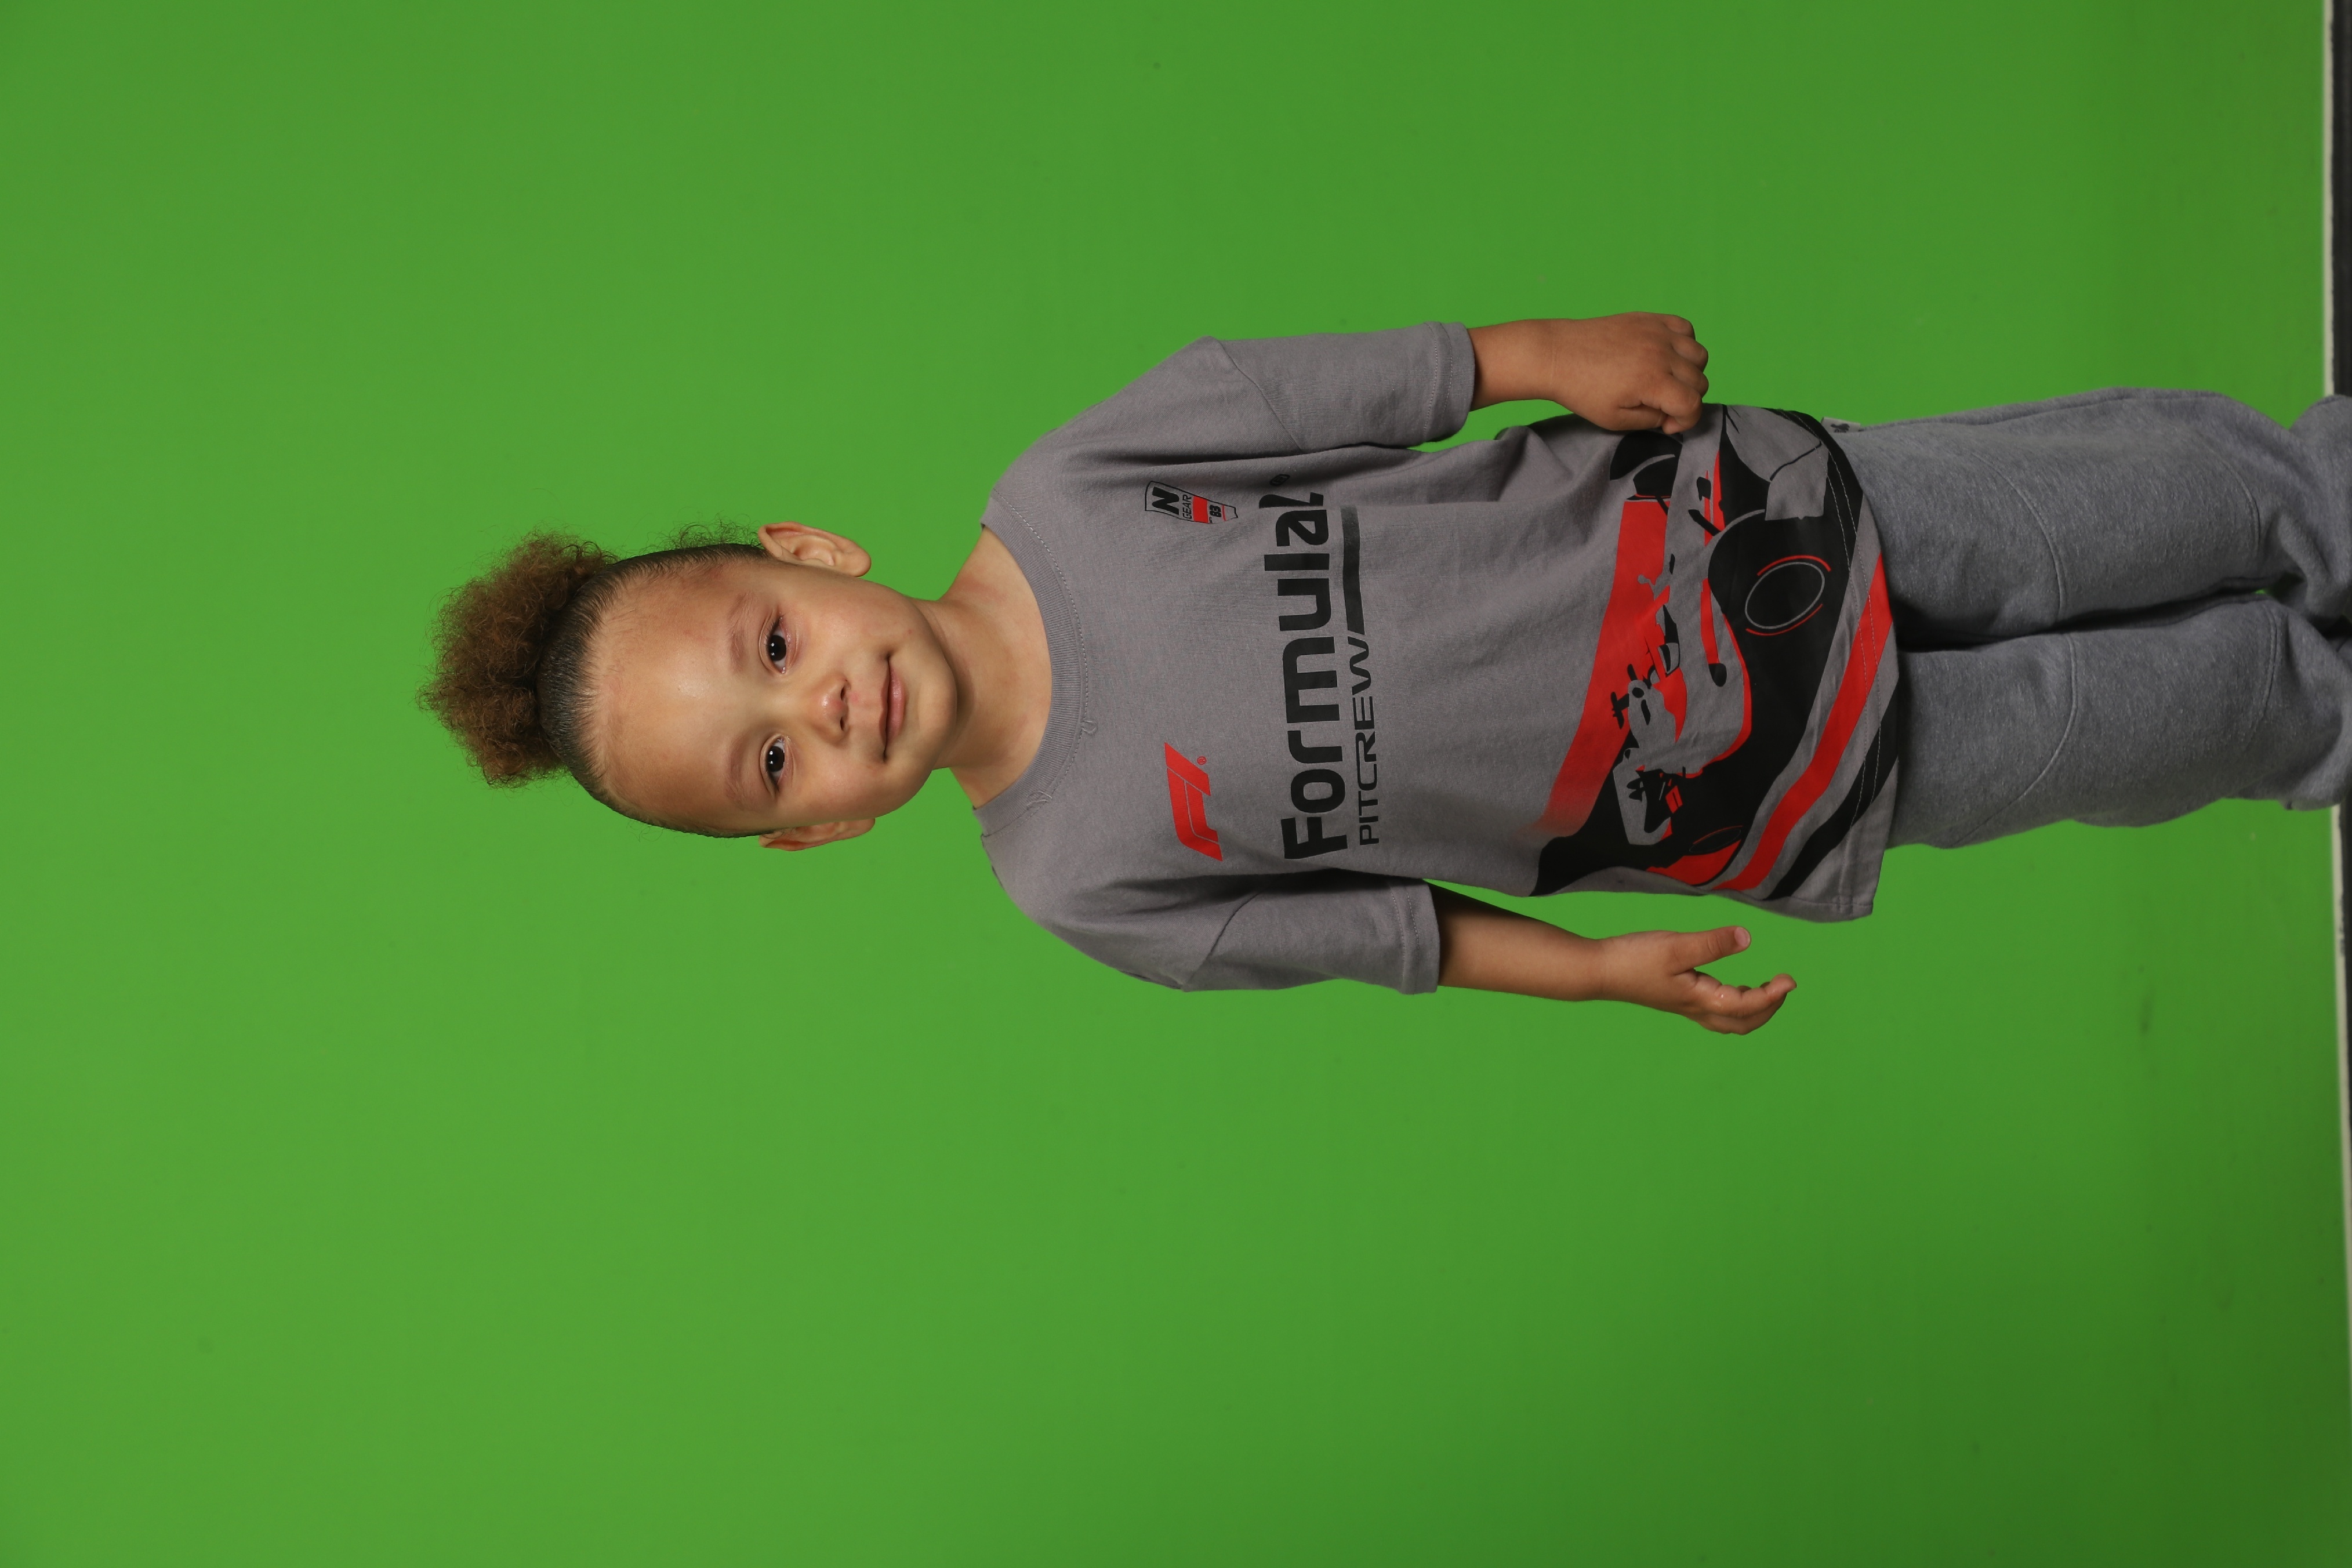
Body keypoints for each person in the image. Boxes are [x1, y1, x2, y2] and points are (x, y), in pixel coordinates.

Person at [422, 316, 2352, 1033]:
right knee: (2154, 725)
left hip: (1740, 526)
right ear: (815, 836)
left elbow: (1344, 393)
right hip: (1752, 785)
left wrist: (1543, 356)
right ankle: (2320, 711)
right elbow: (1392, 934)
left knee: (2151, 500)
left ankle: (2321, 502)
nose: (821, 708)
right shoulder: (1077, 881)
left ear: (812, 554)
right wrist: (1594, 971)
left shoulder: (1073, 485)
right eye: (770, 765)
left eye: (772, 648)